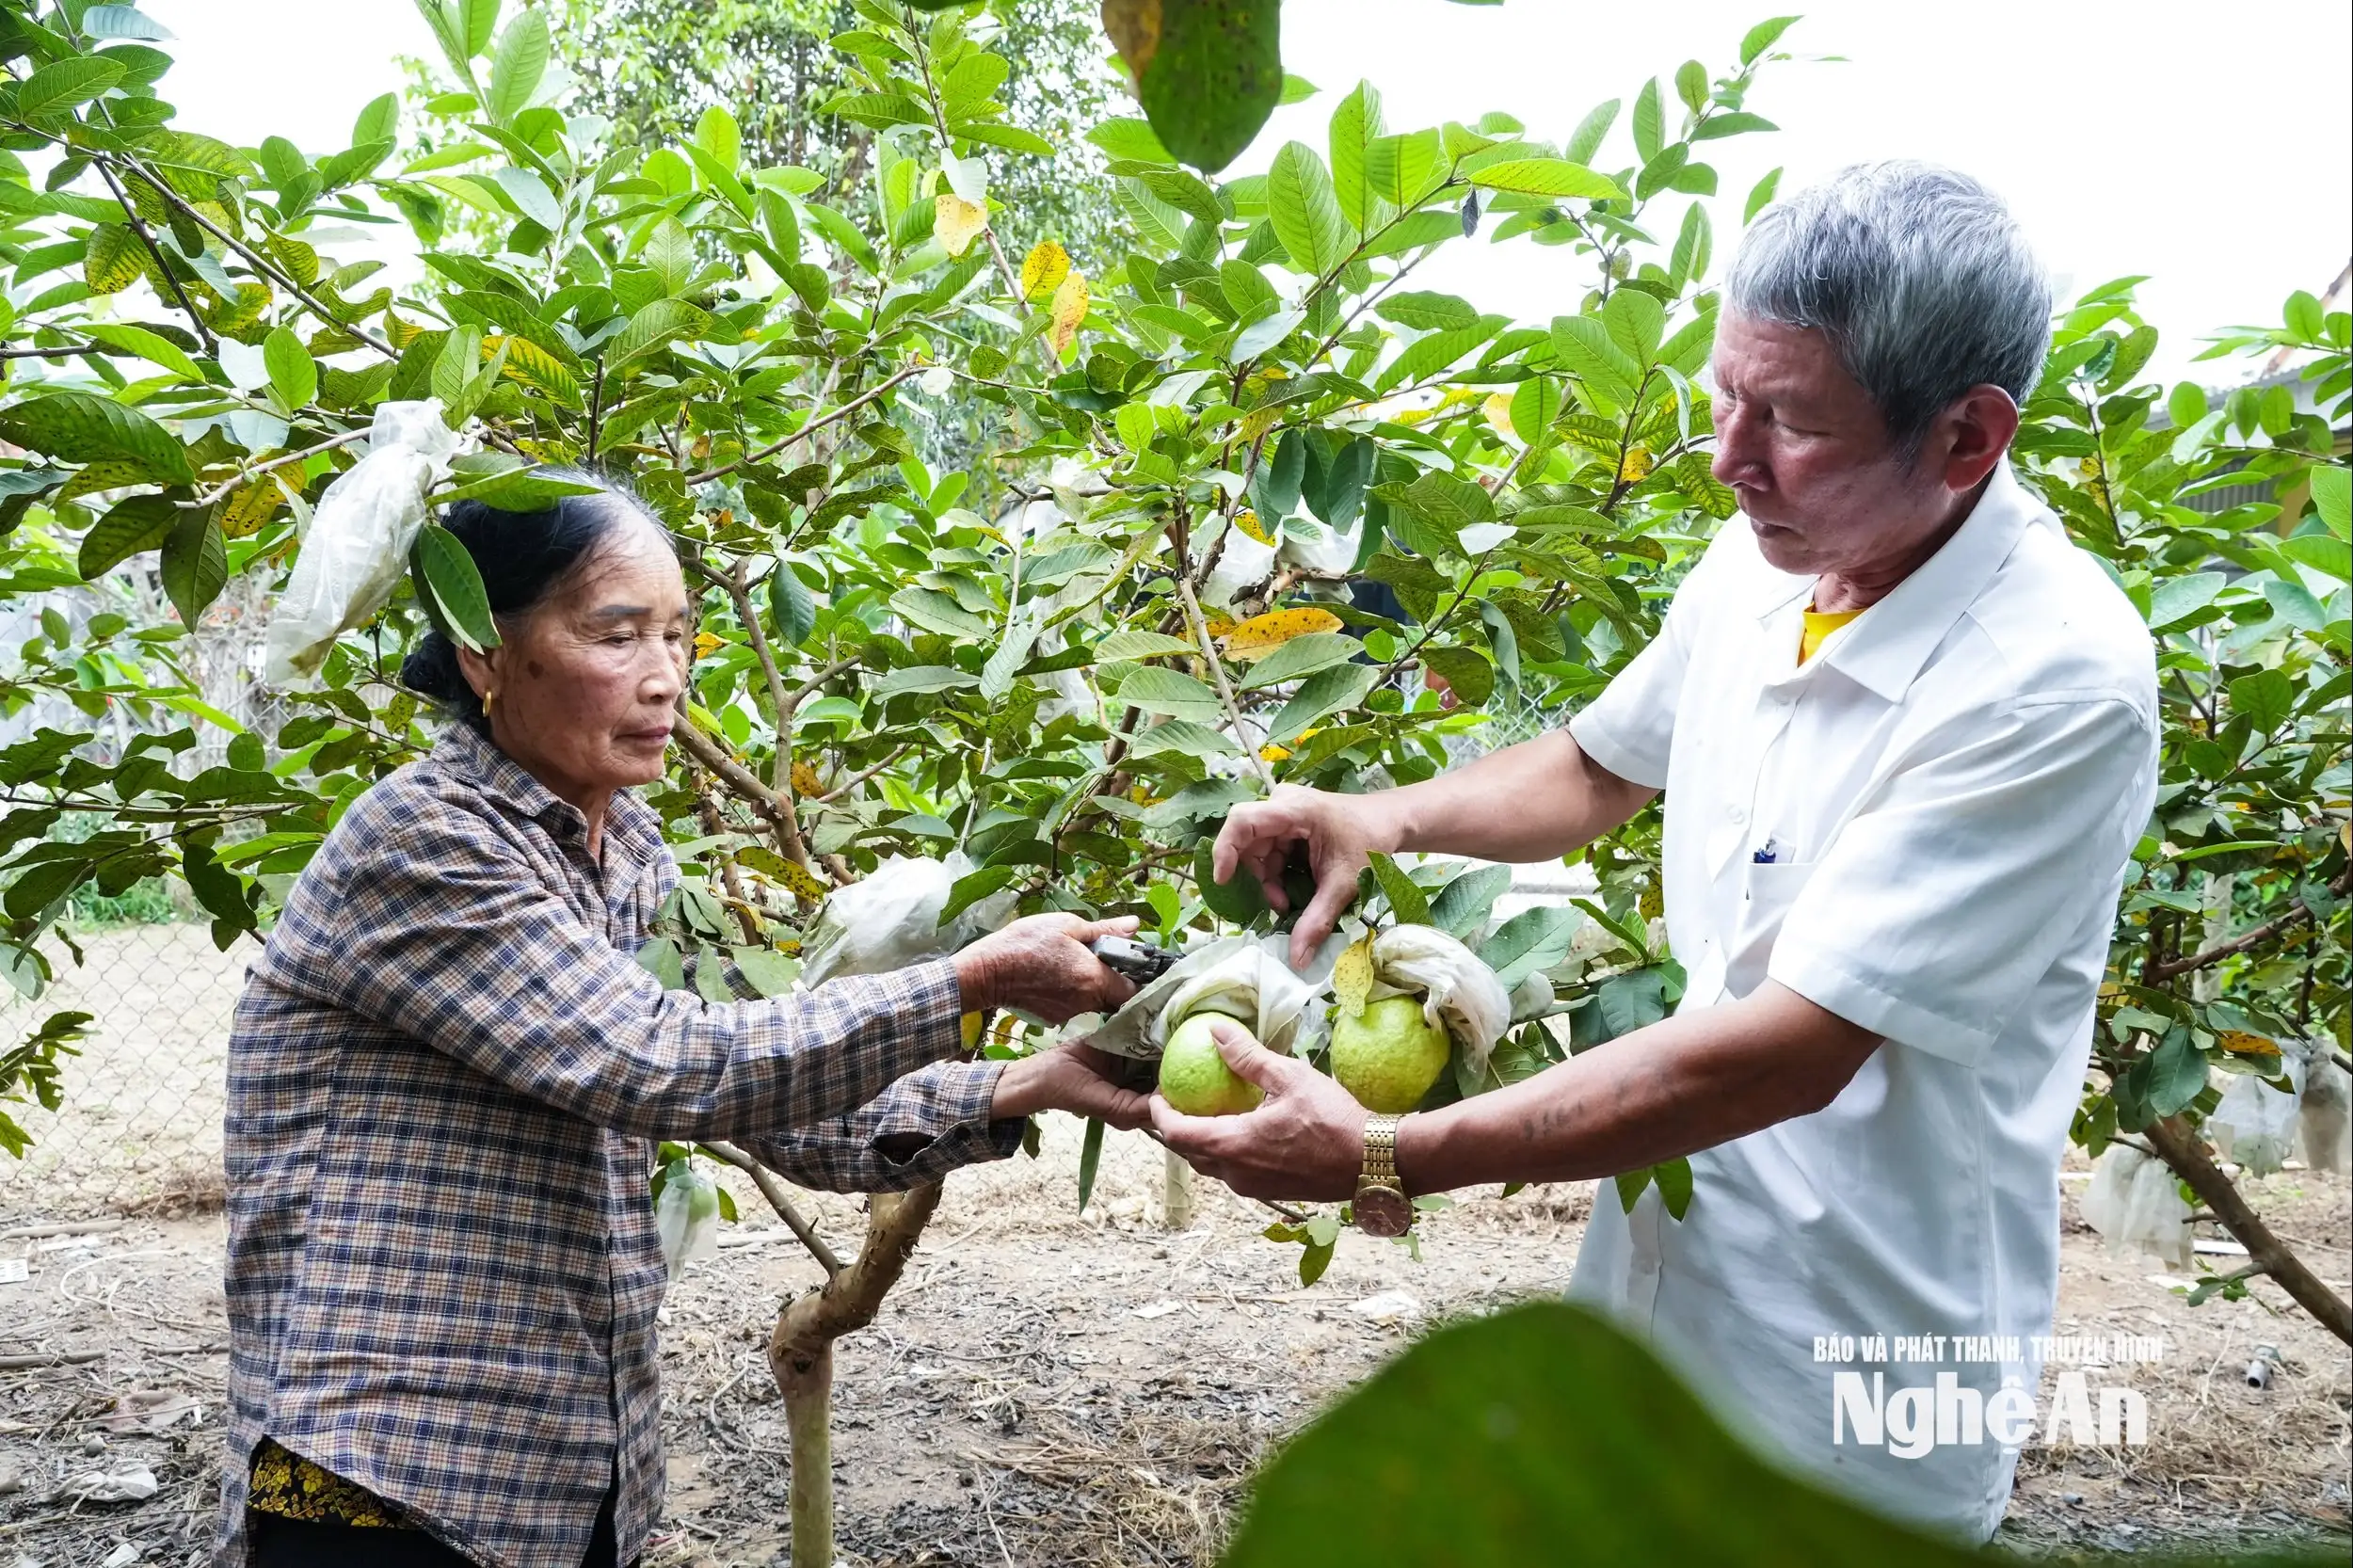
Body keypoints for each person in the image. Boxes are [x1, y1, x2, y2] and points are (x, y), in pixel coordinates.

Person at [1157, 163, 2160, 1541]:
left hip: (1863, 1358)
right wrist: (1384, 813)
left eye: (1791, 421)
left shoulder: (2053, 682)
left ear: (1967, 438)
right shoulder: (1768, 554)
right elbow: (1595, 765)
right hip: (1664, 1274)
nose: (1728, 457)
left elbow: (1791, 1046)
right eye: (1724, 396)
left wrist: (1389, 1151)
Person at [220, 482, 1147, 1568]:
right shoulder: (424, 841)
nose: (666, 678)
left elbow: (782, 1107)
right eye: (615, 635)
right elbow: (668, 1062)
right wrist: (967, 981)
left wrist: (1030, 1083)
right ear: (484, 654)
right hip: (379, 1475)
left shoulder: (628, 852)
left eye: (677, 634)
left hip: (560, 1466)